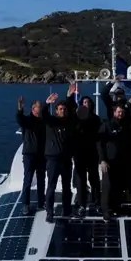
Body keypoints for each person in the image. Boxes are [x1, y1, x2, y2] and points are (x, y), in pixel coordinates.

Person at [42, 84, 78, 222]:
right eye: (60, 109)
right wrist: (47, 103)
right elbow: (44, 115)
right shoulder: (52, 122)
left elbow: (72, 108)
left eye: (64, 109)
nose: (63, 110)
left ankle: (67, 210)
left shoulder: (69, 122)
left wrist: (69, 96)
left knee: (66, 186)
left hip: (66, 159)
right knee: (51, 186)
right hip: (53, 159)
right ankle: (49, 212)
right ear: (56, 111)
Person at [97, 103, 131, 220]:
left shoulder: (126, 126)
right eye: (119, 112)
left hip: (122, 161)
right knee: (107, 186)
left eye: (122, 112)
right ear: (114, 112)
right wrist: (102, 160)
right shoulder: (107, 125)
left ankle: (115, 207)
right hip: (109, 161)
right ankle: (106, 210)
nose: (121, 114)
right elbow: (100, 144)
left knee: (118, 186)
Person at [16, 96, 45, 216]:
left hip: (42, 155)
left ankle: (41, 202)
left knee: (41, 180)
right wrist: (20, 108)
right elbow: (19, 118)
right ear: (33, 109)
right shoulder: (27, 121)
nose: (41, 109)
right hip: (29, 155)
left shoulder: (44, 121)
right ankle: (25, 205)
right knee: (27, 180)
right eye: (39, 107)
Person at [73, 96, 102, 216]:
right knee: (81, 180)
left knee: (94, 179)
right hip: (80, 153)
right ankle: (82, 204)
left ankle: (96, 203)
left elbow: (99, 137)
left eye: (89, 102)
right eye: (84, 102)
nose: (87, 104)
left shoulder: (96, 119)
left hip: (92, 153)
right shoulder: (76, 118)